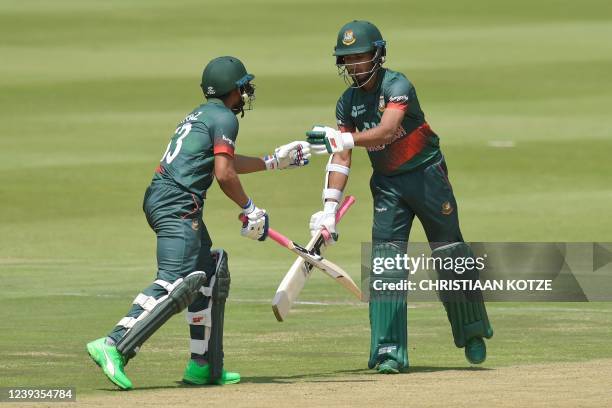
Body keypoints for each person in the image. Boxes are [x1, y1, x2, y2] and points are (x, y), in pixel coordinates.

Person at [86, 56, 311, 389]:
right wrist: (250, 208)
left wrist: (272, 162)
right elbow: (223, 173)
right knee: (176, 280)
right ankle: (113, 344)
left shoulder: (203, 113)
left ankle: (203, 365)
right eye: (242, 87)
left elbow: (224, 161)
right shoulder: (225, 118)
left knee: (209, 273)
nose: (246, 93)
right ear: (231, 90)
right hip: (176, 203)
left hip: (168, 197)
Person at [306, 21, 493, 374]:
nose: (354, 66)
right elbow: (341, 157)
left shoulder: (397, 84)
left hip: (427, 177)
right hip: (389, 185)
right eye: (347, 60)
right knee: (385, 264)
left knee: (449, 250)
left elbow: (389, 129)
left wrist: (344, 139)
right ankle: (389, 351)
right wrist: (329, 207)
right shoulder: (347, 102)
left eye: (360, 57)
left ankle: (471, 331)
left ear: (377, 54)